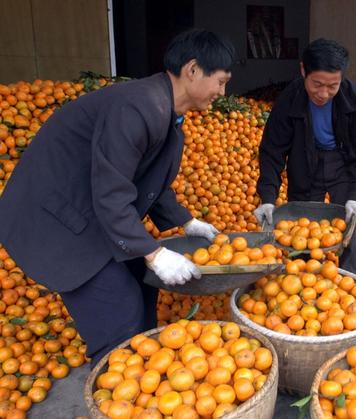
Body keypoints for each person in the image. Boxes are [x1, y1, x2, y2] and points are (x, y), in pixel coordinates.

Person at [0, 29, 234, 366]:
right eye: (221, 81)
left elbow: (145, 180)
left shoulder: (164, 110)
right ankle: (116, 389)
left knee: (144, 283)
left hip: (91, 212)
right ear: (193, 69)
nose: (222, 92)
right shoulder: (136, 107)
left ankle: (142, 370)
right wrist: (154, 253)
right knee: (119, 310)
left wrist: (186, 221)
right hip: (58, 220)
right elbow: (111, 193)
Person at [254, 39, 356, 279]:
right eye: (317, 84)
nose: (324, 93)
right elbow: (272, 151)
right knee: (300, 228)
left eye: (333, 86)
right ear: (303, 71)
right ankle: (300, 285)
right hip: (304, 160)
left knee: (352, 225)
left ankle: (354, 288)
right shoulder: (289, 100)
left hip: (344, 165)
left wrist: (355, 196)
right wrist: (267, 198)